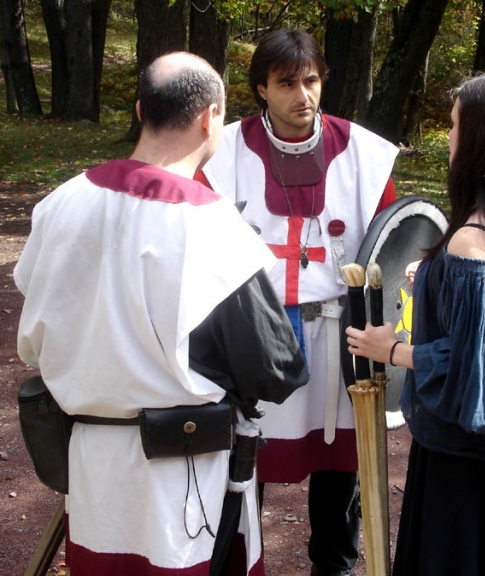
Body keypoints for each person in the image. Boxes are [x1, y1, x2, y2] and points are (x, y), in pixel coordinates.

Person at [14, 52, 308, 576]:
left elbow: (41, 320)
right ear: (210, 117)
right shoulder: (210, 226)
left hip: (92, 461)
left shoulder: (60, 203)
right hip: (182, 474)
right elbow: (276, 367)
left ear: (139, 108)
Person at [346, 71, 485, 576]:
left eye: (454, 126)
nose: (448, 137)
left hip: (470, 466)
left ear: (481, 141)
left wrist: (392, 348)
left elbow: (475, 370)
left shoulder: (472, 242)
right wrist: (433, 279)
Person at [197, 29, 399, 576]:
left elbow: (393, 251)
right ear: (261, 87)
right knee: (244, 460)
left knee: (340, 472)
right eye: (287, 83)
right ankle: (237, 566)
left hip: (340, 337)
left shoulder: (365, 153)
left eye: (310, 80)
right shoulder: (223, 154)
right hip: (254, 333)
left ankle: (333, 569)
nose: (302, 95)